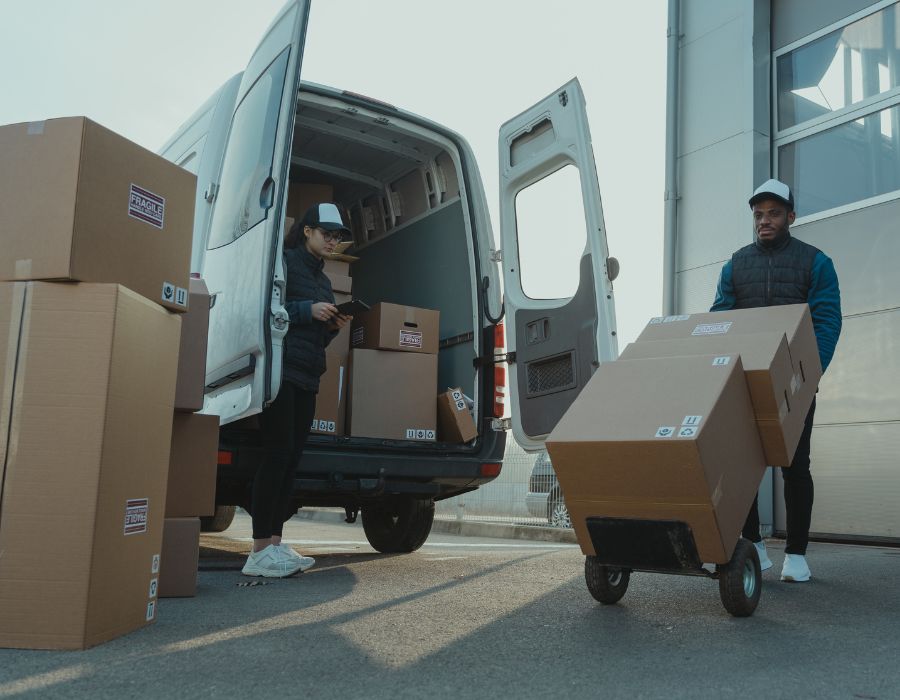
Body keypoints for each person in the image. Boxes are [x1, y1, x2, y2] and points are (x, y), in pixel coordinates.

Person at [711, 179, 841, 583]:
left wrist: (809, 374)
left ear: (791, 216)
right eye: (758, 215)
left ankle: (797, 556)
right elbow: (720, 318)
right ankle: (755, 546)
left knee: (795, 466)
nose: (764, 221)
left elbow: (827, 321)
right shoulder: (735, 264)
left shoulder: (815, 262)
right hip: (744, 383)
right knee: (743, 466)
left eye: (773, 213)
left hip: (794, 385)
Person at [242, 202, 352, 577]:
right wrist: (308, 311)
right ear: (307, 230)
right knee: (276, 453)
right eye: (327, 233)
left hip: (308, 373)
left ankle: (274, 543)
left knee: (292, 459)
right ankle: (258, 551)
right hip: (280, 369)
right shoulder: (284, 262)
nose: (332, 241)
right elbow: (264, 308)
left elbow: (316, 338)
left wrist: (333, 323)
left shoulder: (323, 280)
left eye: (337, 236)